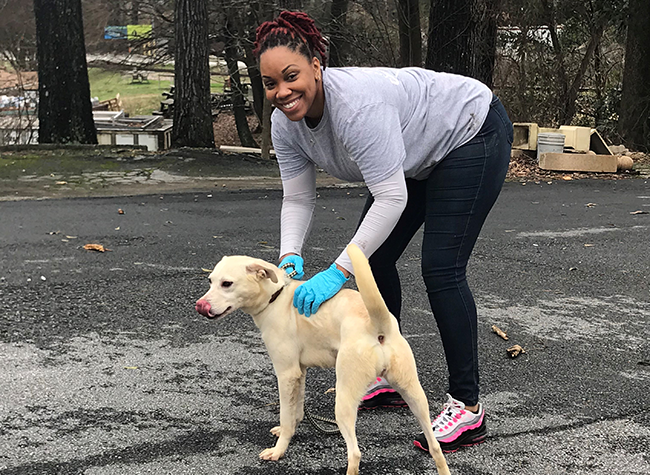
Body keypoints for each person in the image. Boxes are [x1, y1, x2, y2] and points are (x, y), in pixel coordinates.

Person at [253, 11, 513, 454]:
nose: (282, 92)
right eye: (269, 83)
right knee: (372, 259)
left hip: (470, 132)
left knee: (441, 269)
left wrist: (337, 270)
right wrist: (289, 255)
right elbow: (297, 198)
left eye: (291, 76)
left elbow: (391, 198)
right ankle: (386, 369)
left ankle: (468, 408)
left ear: (317, 64)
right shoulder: (285, 123)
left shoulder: (356, 107)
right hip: (411, 153)